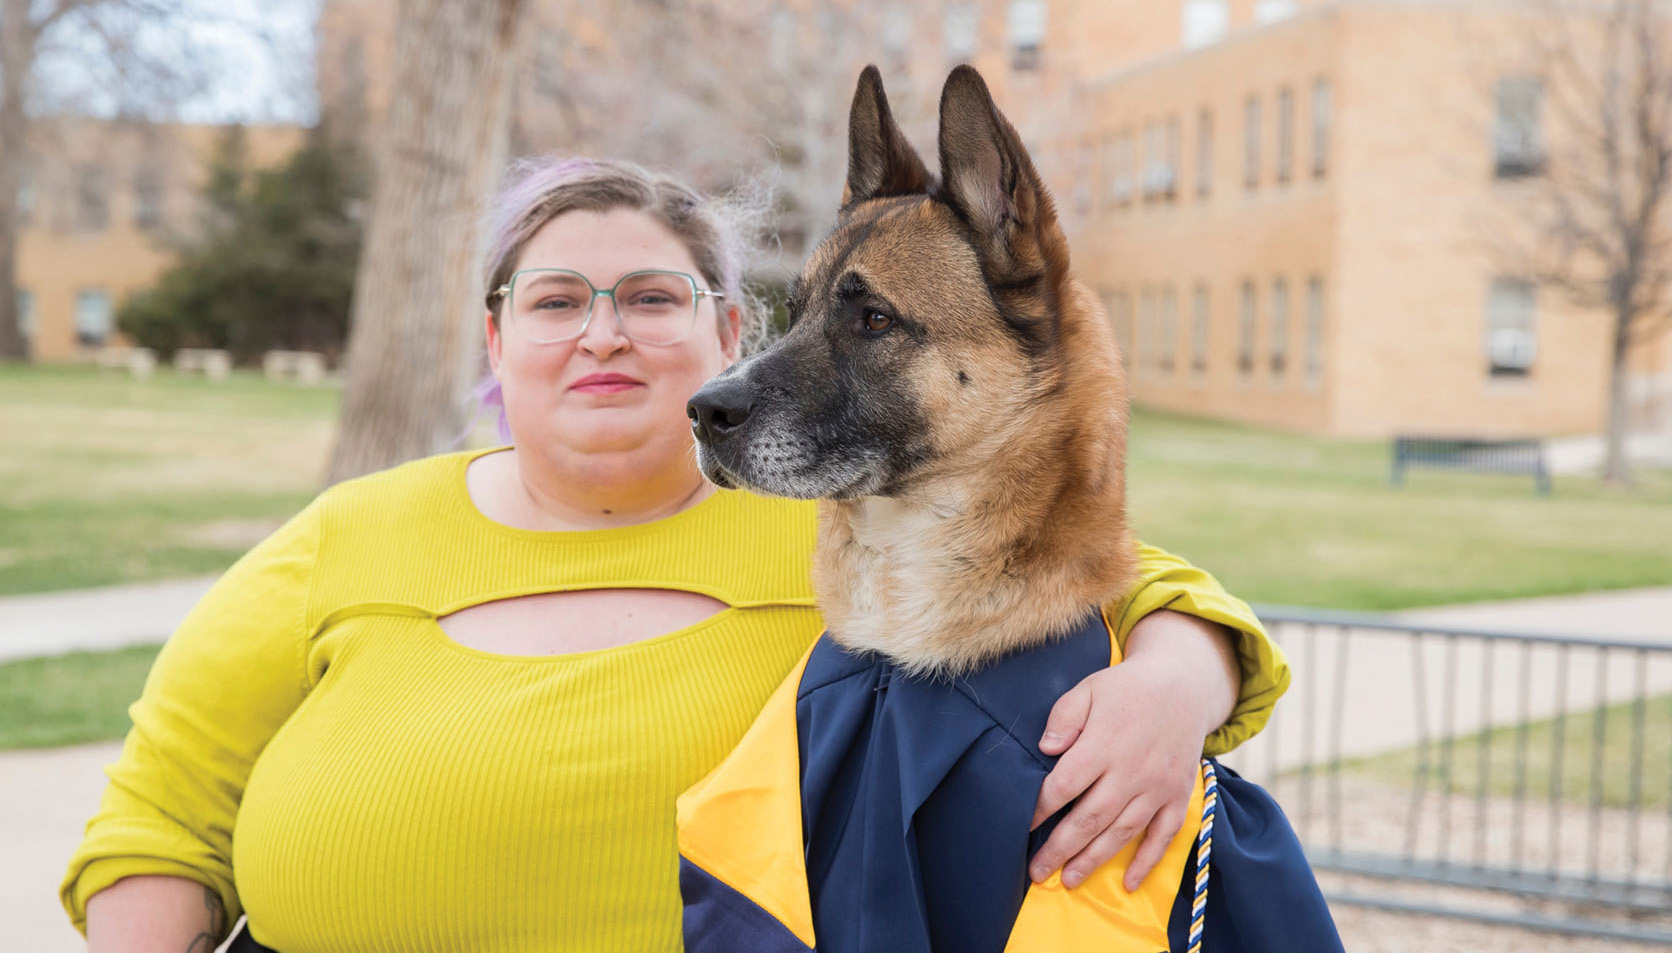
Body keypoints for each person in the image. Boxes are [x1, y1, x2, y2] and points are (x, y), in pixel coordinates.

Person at [64, 158, 1288, 953]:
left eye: (652, 296)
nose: (603, 332)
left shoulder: (854, 530)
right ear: (498, 339)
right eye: (555, 300)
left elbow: (1105, 562)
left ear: (729, 330)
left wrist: (1181, 677)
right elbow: (164, 816)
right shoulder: (348, 534)